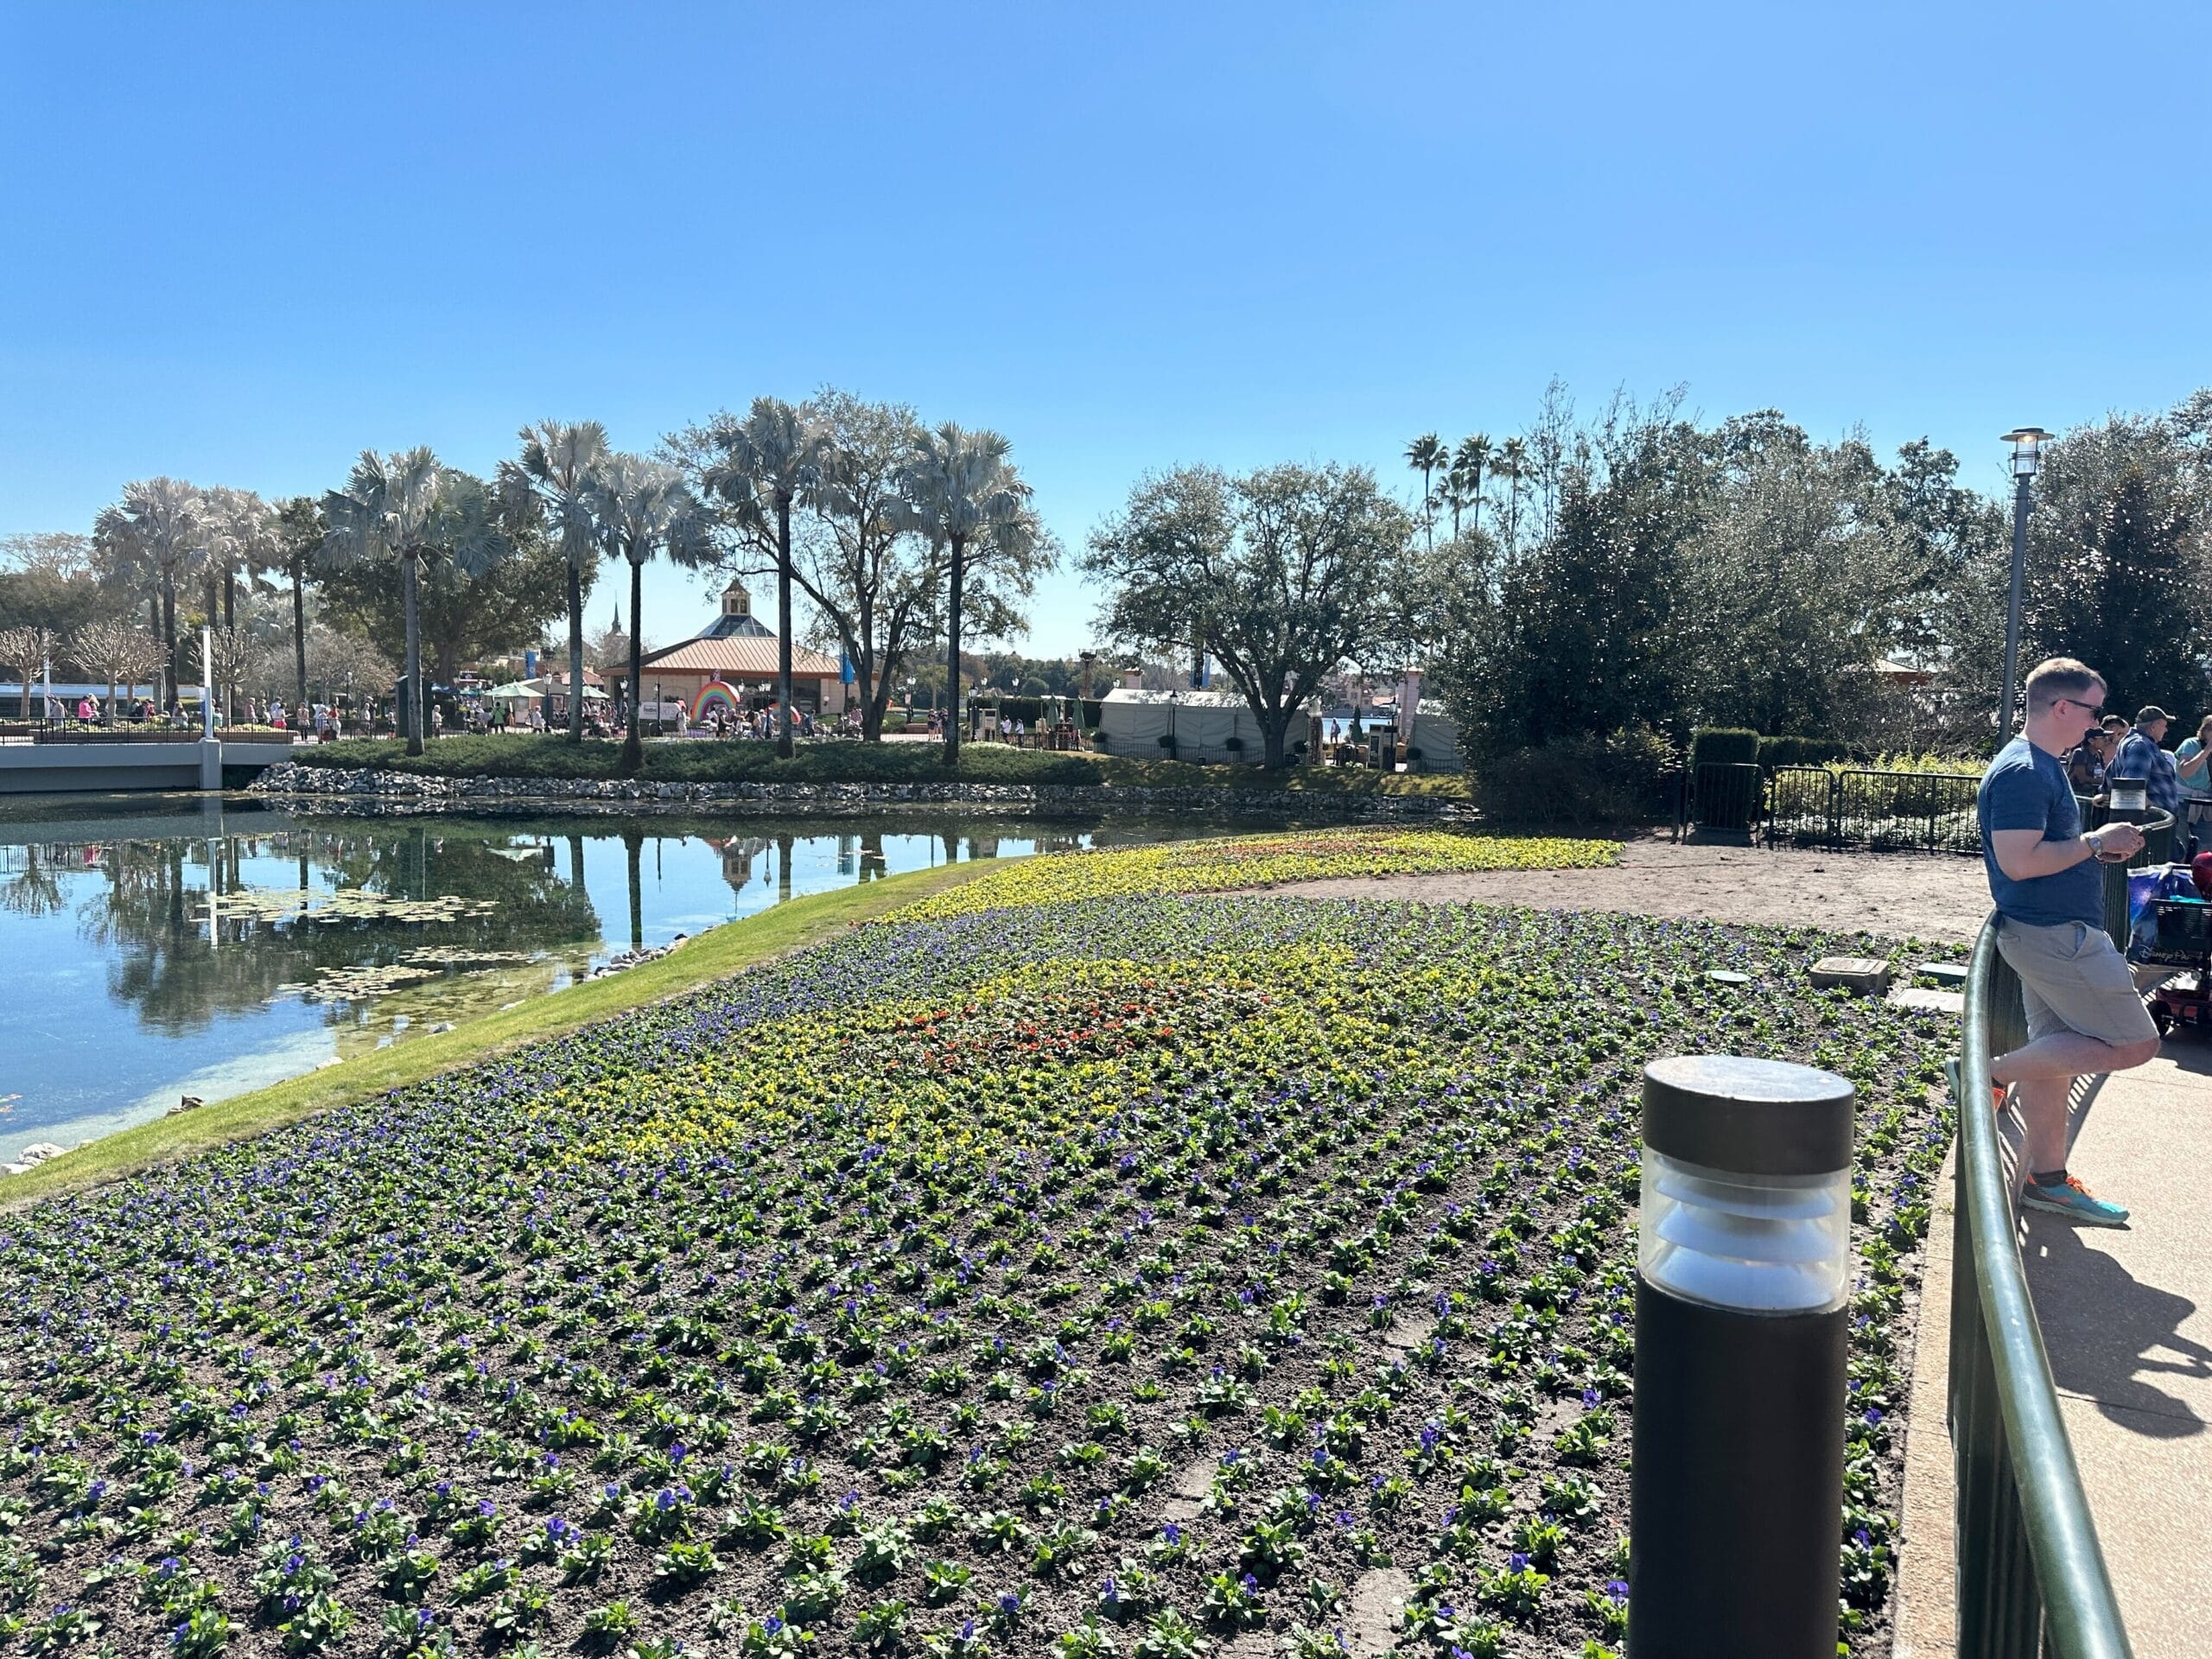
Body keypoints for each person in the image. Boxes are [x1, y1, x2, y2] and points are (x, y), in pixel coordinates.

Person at [1974, 657, 2158, 1224]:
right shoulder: (2025, 771)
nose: (2098, 725)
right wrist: (2094, 840)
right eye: (2092, 711)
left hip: (2049, 934)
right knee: (2136, 1043)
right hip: (2055, 937)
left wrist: (2098, 845)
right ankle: (1989, 1074)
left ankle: (2047, 1182)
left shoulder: (2037, 764)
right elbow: (2020, 862)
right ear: (2061, 707)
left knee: (2051, 1061)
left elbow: (2039, 854)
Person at [2113, 704, 2179, 816]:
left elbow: (2111, 777)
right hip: (2151, 822)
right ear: (2153, 727)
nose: (2166, 730)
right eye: (2164, 726)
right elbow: (2131, 789)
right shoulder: (2141, 745)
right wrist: (2154, 809)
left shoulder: (2131, 743)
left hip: (2152, 821)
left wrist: (2104, 794)